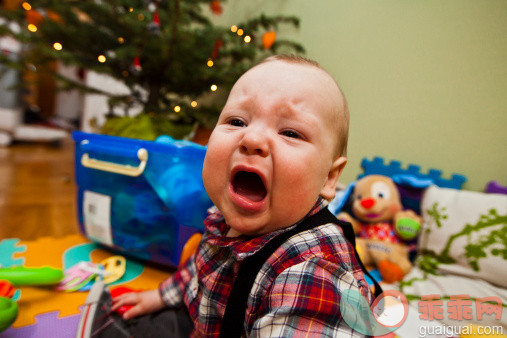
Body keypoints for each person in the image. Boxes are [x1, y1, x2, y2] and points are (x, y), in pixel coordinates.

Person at [111, 55, 373, 337]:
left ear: (330, 177)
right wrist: (160, 297)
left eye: (290, 133)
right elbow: (204, 268)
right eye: (237, 121)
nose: (252, 139)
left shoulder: (312, 275)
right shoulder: (224, 217)